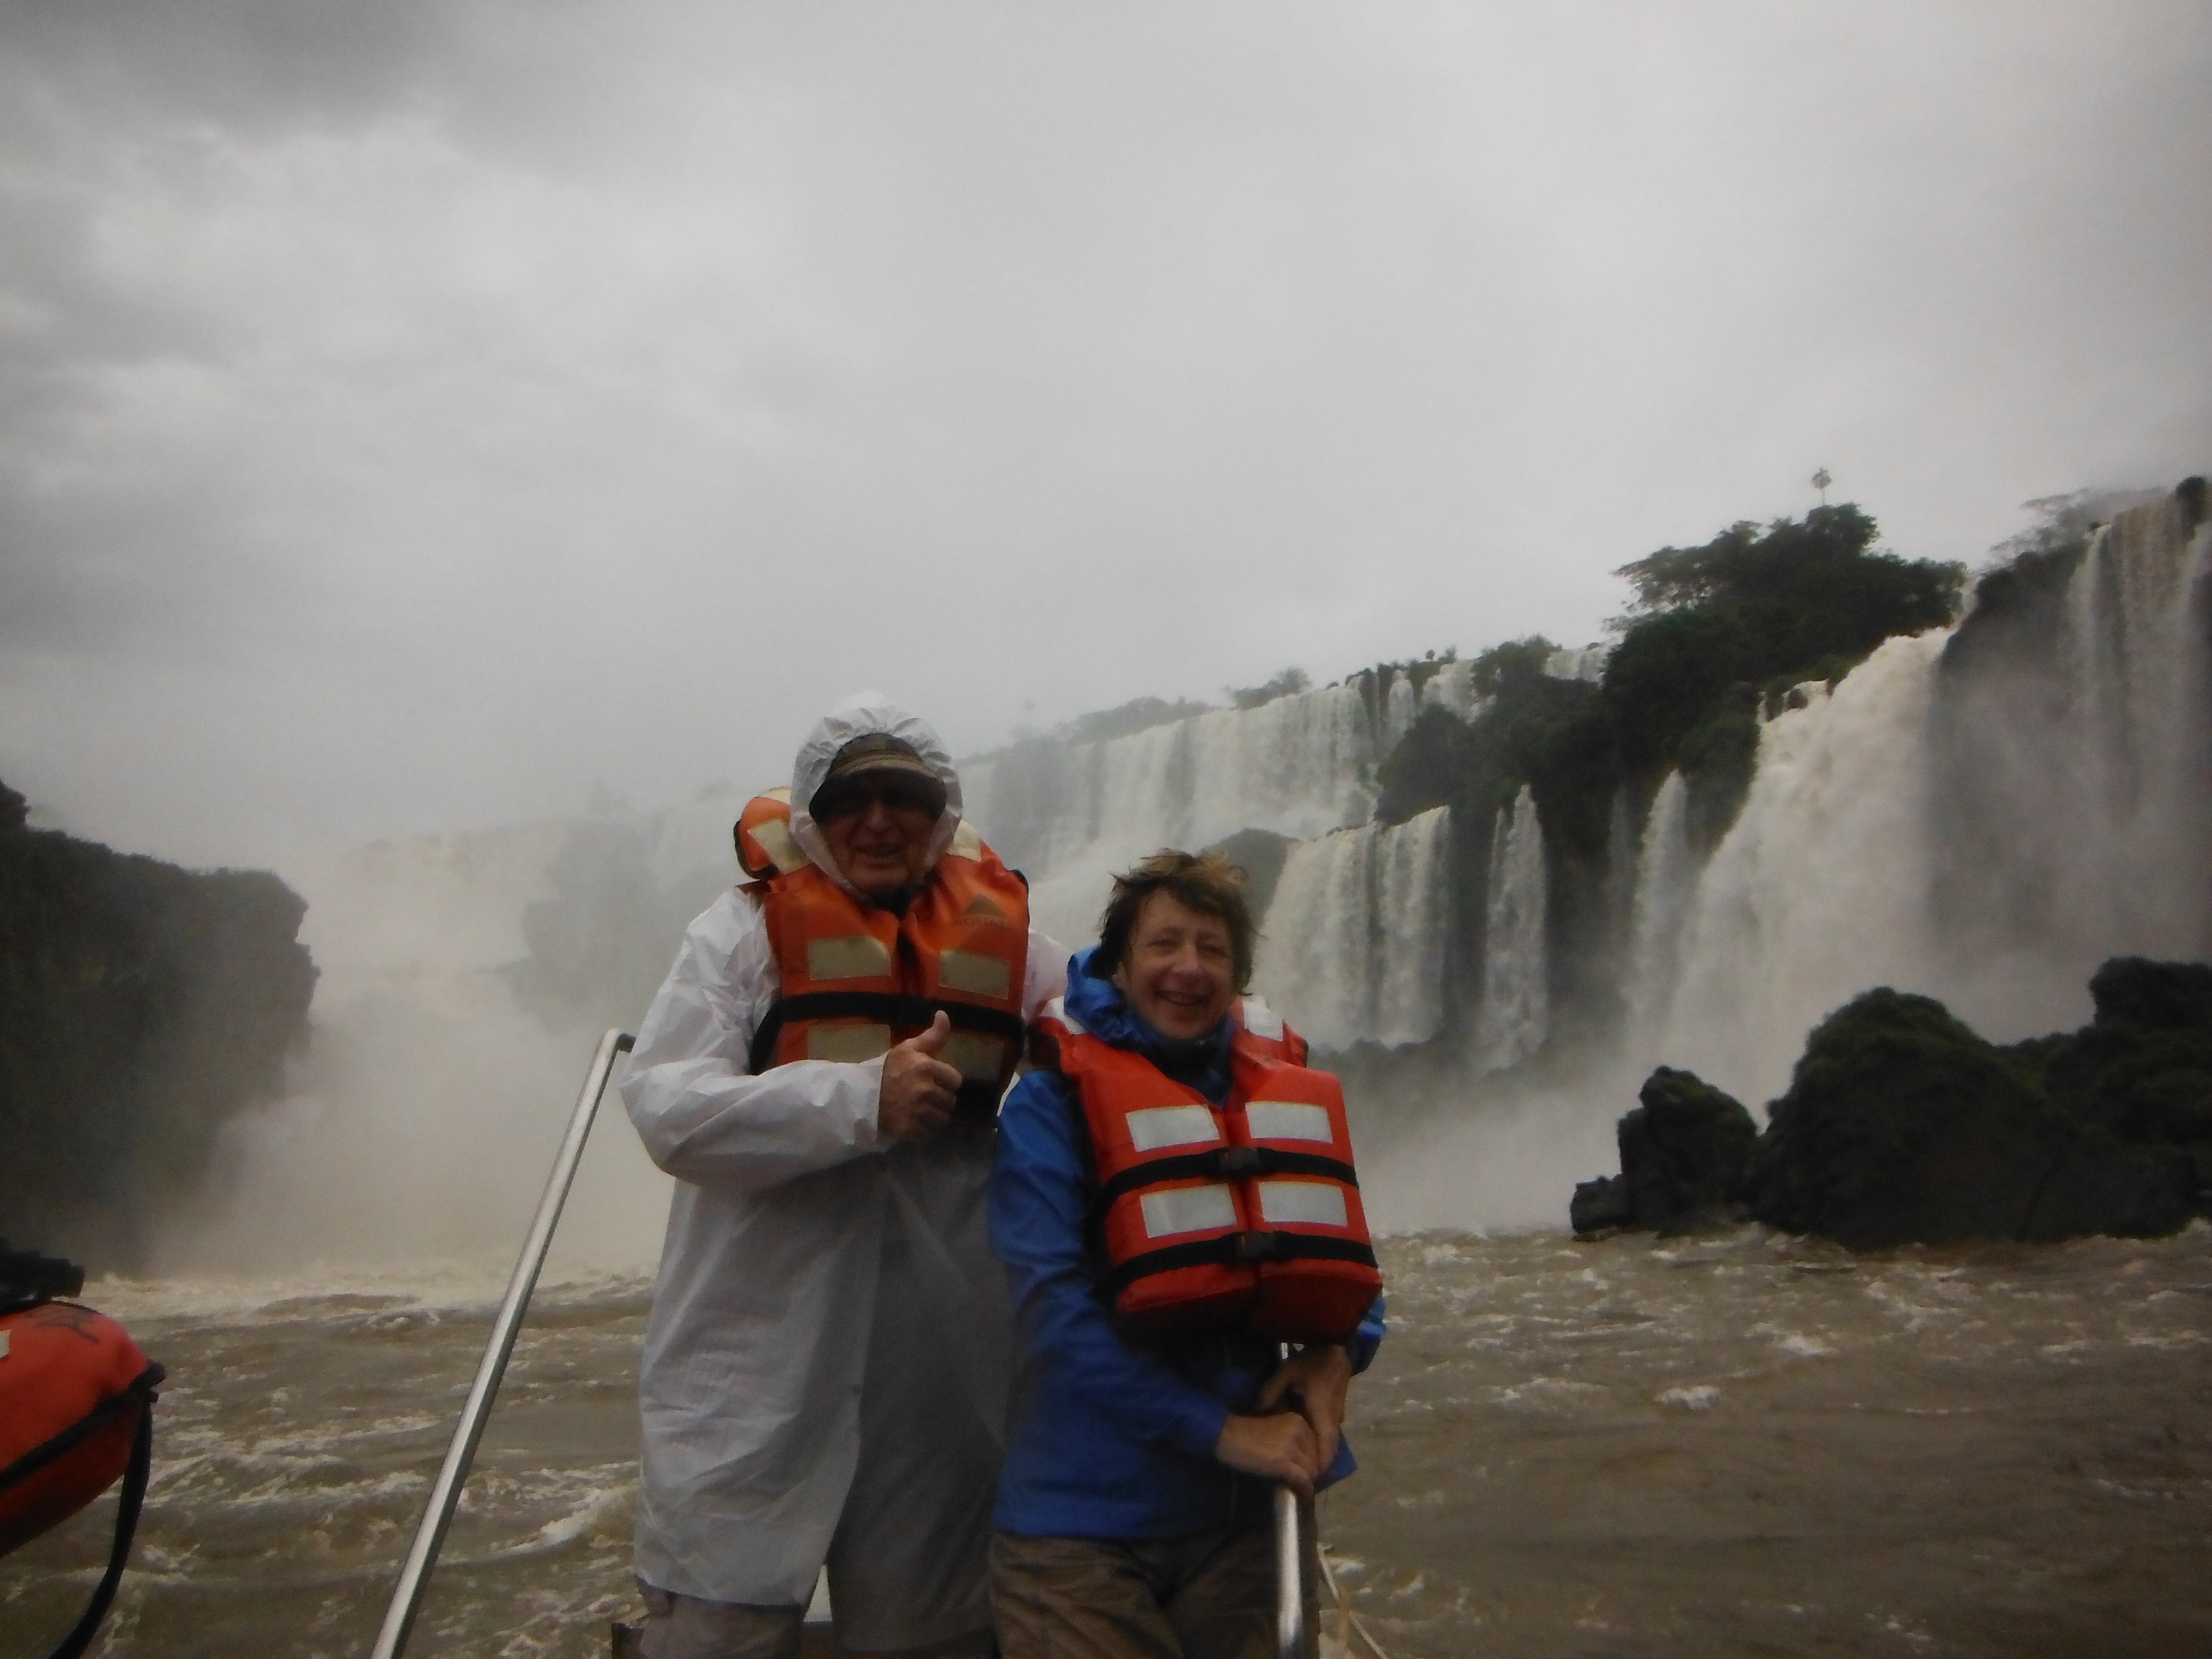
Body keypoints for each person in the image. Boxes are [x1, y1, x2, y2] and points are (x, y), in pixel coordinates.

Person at [622, 694, 1065, 1659]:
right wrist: (859, 1100)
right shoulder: (737, 935)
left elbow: (1113, 1028)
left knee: (932, 1635)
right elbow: (667, 1107)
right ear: (812, 817)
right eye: (849, 799)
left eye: (904, 798)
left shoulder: (1016, 948)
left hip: (938, 1370)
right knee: (723, 1627)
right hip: (755, 1355)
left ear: (941, 816)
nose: (877, 820)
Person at [987, 849, 1386, 1659]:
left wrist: (1340, 1353)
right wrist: (1219, 1430)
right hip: (1081, 1534)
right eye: (1164, 944)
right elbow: (1049, 1314)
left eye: (1212, 949)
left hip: (1244, 1521)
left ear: (1238, 975)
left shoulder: (1274, 1087)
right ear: (1121, 963)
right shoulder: (1049, 1104)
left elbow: (1344, 1259)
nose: (1188, 969)